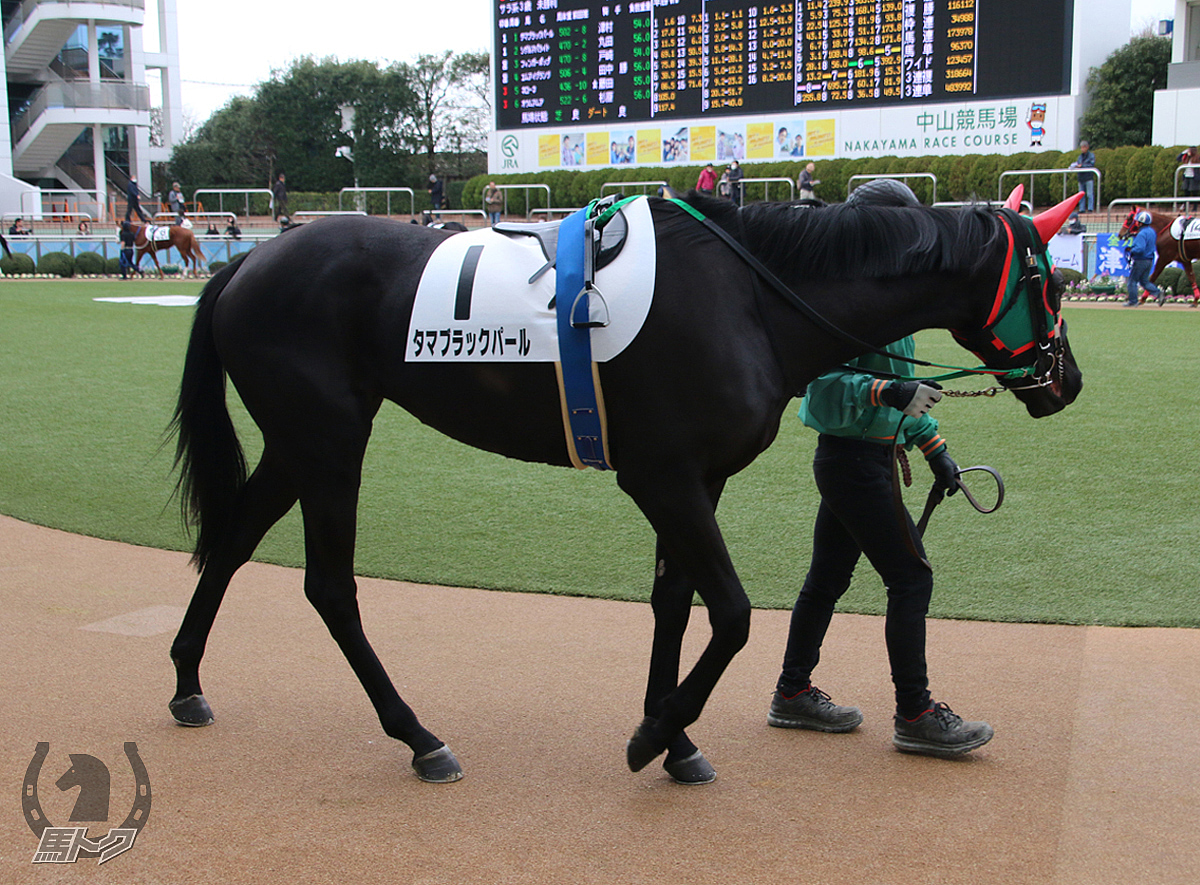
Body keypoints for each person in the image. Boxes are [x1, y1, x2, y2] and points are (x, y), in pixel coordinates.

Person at [767, 178, 995, 759]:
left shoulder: (887, 302)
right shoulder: (840, 300)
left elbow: (909, 397)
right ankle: (915, 713)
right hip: (852, 464)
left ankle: (791, 694)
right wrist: (887, 390)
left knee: (826, 581)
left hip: (862, 461)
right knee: (912, 577)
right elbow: (818, 389)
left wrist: (934, 448)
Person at [1124, 209, 1163, 307]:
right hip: (1149, 260)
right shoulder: (1152, 232)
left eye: (1137, 221)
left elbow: (1140, 249)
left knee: (1132, 281)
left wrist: (1131, 250)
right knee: (1144, 281)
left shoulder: (1141, 234)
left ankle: (1133, 301)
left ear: (1141, 223)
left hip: (1140, 260)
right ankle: (1158, 293)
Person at [1067, 140, 1096, 231]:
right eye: (1081, 147)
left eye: (1084, 147)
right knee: (1081, 195)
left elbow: (1091, 164)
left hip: (1088, 177)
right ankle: (1082, 208)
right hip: (1081, 178)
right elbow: (1077, 164)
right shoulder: (1080, 157)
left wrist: (1082, 166)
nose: (1082, 149)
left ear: (1087, 147)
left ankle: (1090, 208)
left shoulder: (1091, 156)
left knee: (1089, 194)